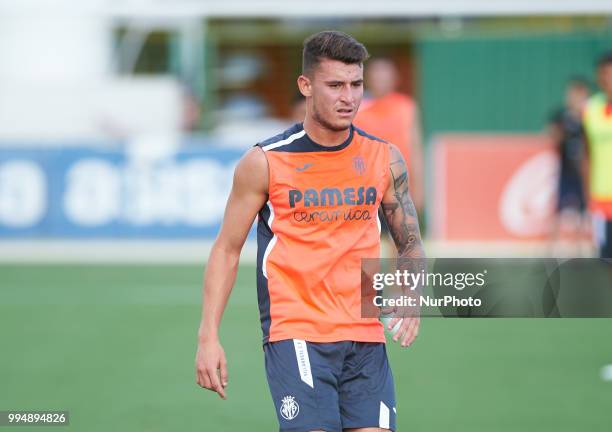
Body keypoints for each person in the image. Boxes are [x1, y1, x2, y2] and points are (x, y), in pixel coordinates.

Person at [195, 30, 425, 432]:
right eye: (335, 85)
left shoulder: (384, 158)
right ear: (305, 85)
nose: (349, 97)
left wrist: (410, 293)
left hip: (365, 334)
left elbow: (409, 241)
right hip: (297, 332)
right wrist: (208, 336)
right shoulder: (265, 161)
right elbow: (226, 250)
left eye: (356, 85)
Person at [353, 58, 424, 213]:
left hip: (398, 184)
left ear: (395, 78)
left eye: (385, 74)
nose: (380, 78)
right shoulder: (356, 107)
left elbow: (415, 147)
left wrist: (418, 188)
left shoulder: (407, 106)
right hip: (366, 186)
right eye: (376, 74)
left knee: (398, 233)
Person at [547, 77, 590, 254]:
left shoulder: (587, 116)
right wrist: (561, 134)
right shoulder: (562, 116)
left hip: (582, 168)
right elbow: (552, 134)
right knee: (559, 207)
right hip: (566, 167)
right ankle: (552, 246)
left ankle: (579, 246)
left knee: (582, 208)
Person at [583, 52, 612, 259]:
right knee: (605, 257)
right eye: (603, 74)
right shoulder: (591, 108)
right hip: (600, 199)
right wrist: (586, 197)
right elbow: (586, 155)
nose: (607, 79)